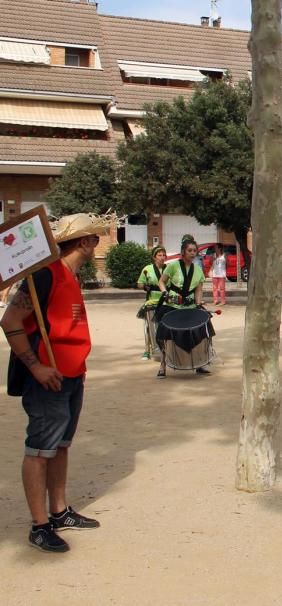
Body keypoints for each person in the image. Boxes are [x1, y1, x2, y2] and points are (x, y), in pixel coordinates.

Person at [2, 213, 114, 553]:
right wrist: (36, 367)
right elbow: (10, 321)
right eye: (95, 238)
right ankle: (39, 525)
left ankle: (59, 510)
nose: (98, 243)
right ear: (84, 242)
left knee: (61, 444)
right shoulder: (44, 276)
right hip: (48, 378)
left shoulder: (70, 276)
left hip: (71, 374)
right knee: (39, 450)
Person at [156, 238, 213, 379]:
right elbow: (161, 282)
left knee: (203, 327)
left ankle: (200, 363)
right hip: (172, 305)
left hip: (190, 306)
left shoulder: (198, 270)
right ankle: (163, 364)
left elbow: (199, 290)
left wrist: (199, 303)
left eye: (195, 250)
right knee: (163, 334)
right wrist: (165, 294)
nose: (193, 253)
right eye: (190, 250)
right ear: (183, 252)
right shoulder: (173, 266)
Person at [136, 246, 167, 360]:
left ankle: (166, 348)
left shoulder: (168, 269)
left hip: (165, 300)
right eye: (159, 255)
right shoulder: (147, 269)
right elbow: (139, 283)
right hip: (152, 300)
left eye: (164, 255)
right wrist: (144, 286)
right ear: (154, 257)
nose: (162, 257)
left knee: (165, 325)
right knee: (150, 326)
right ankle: (147, 350)